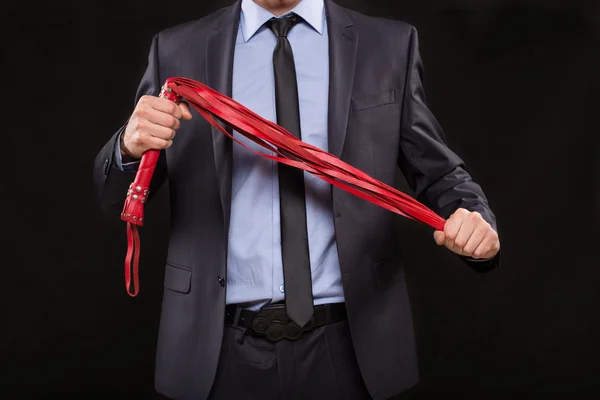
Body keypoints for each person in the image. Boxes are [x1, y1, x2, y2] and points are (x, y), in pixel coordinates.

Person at [93, 0, 501, 399]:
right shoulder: (177, 49)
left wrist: (475, 219)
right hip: (215, 350)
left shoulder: (388, 44)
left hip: (350, 346)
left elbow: (440, 174)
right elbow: (114, 196)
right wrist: (127, 148)